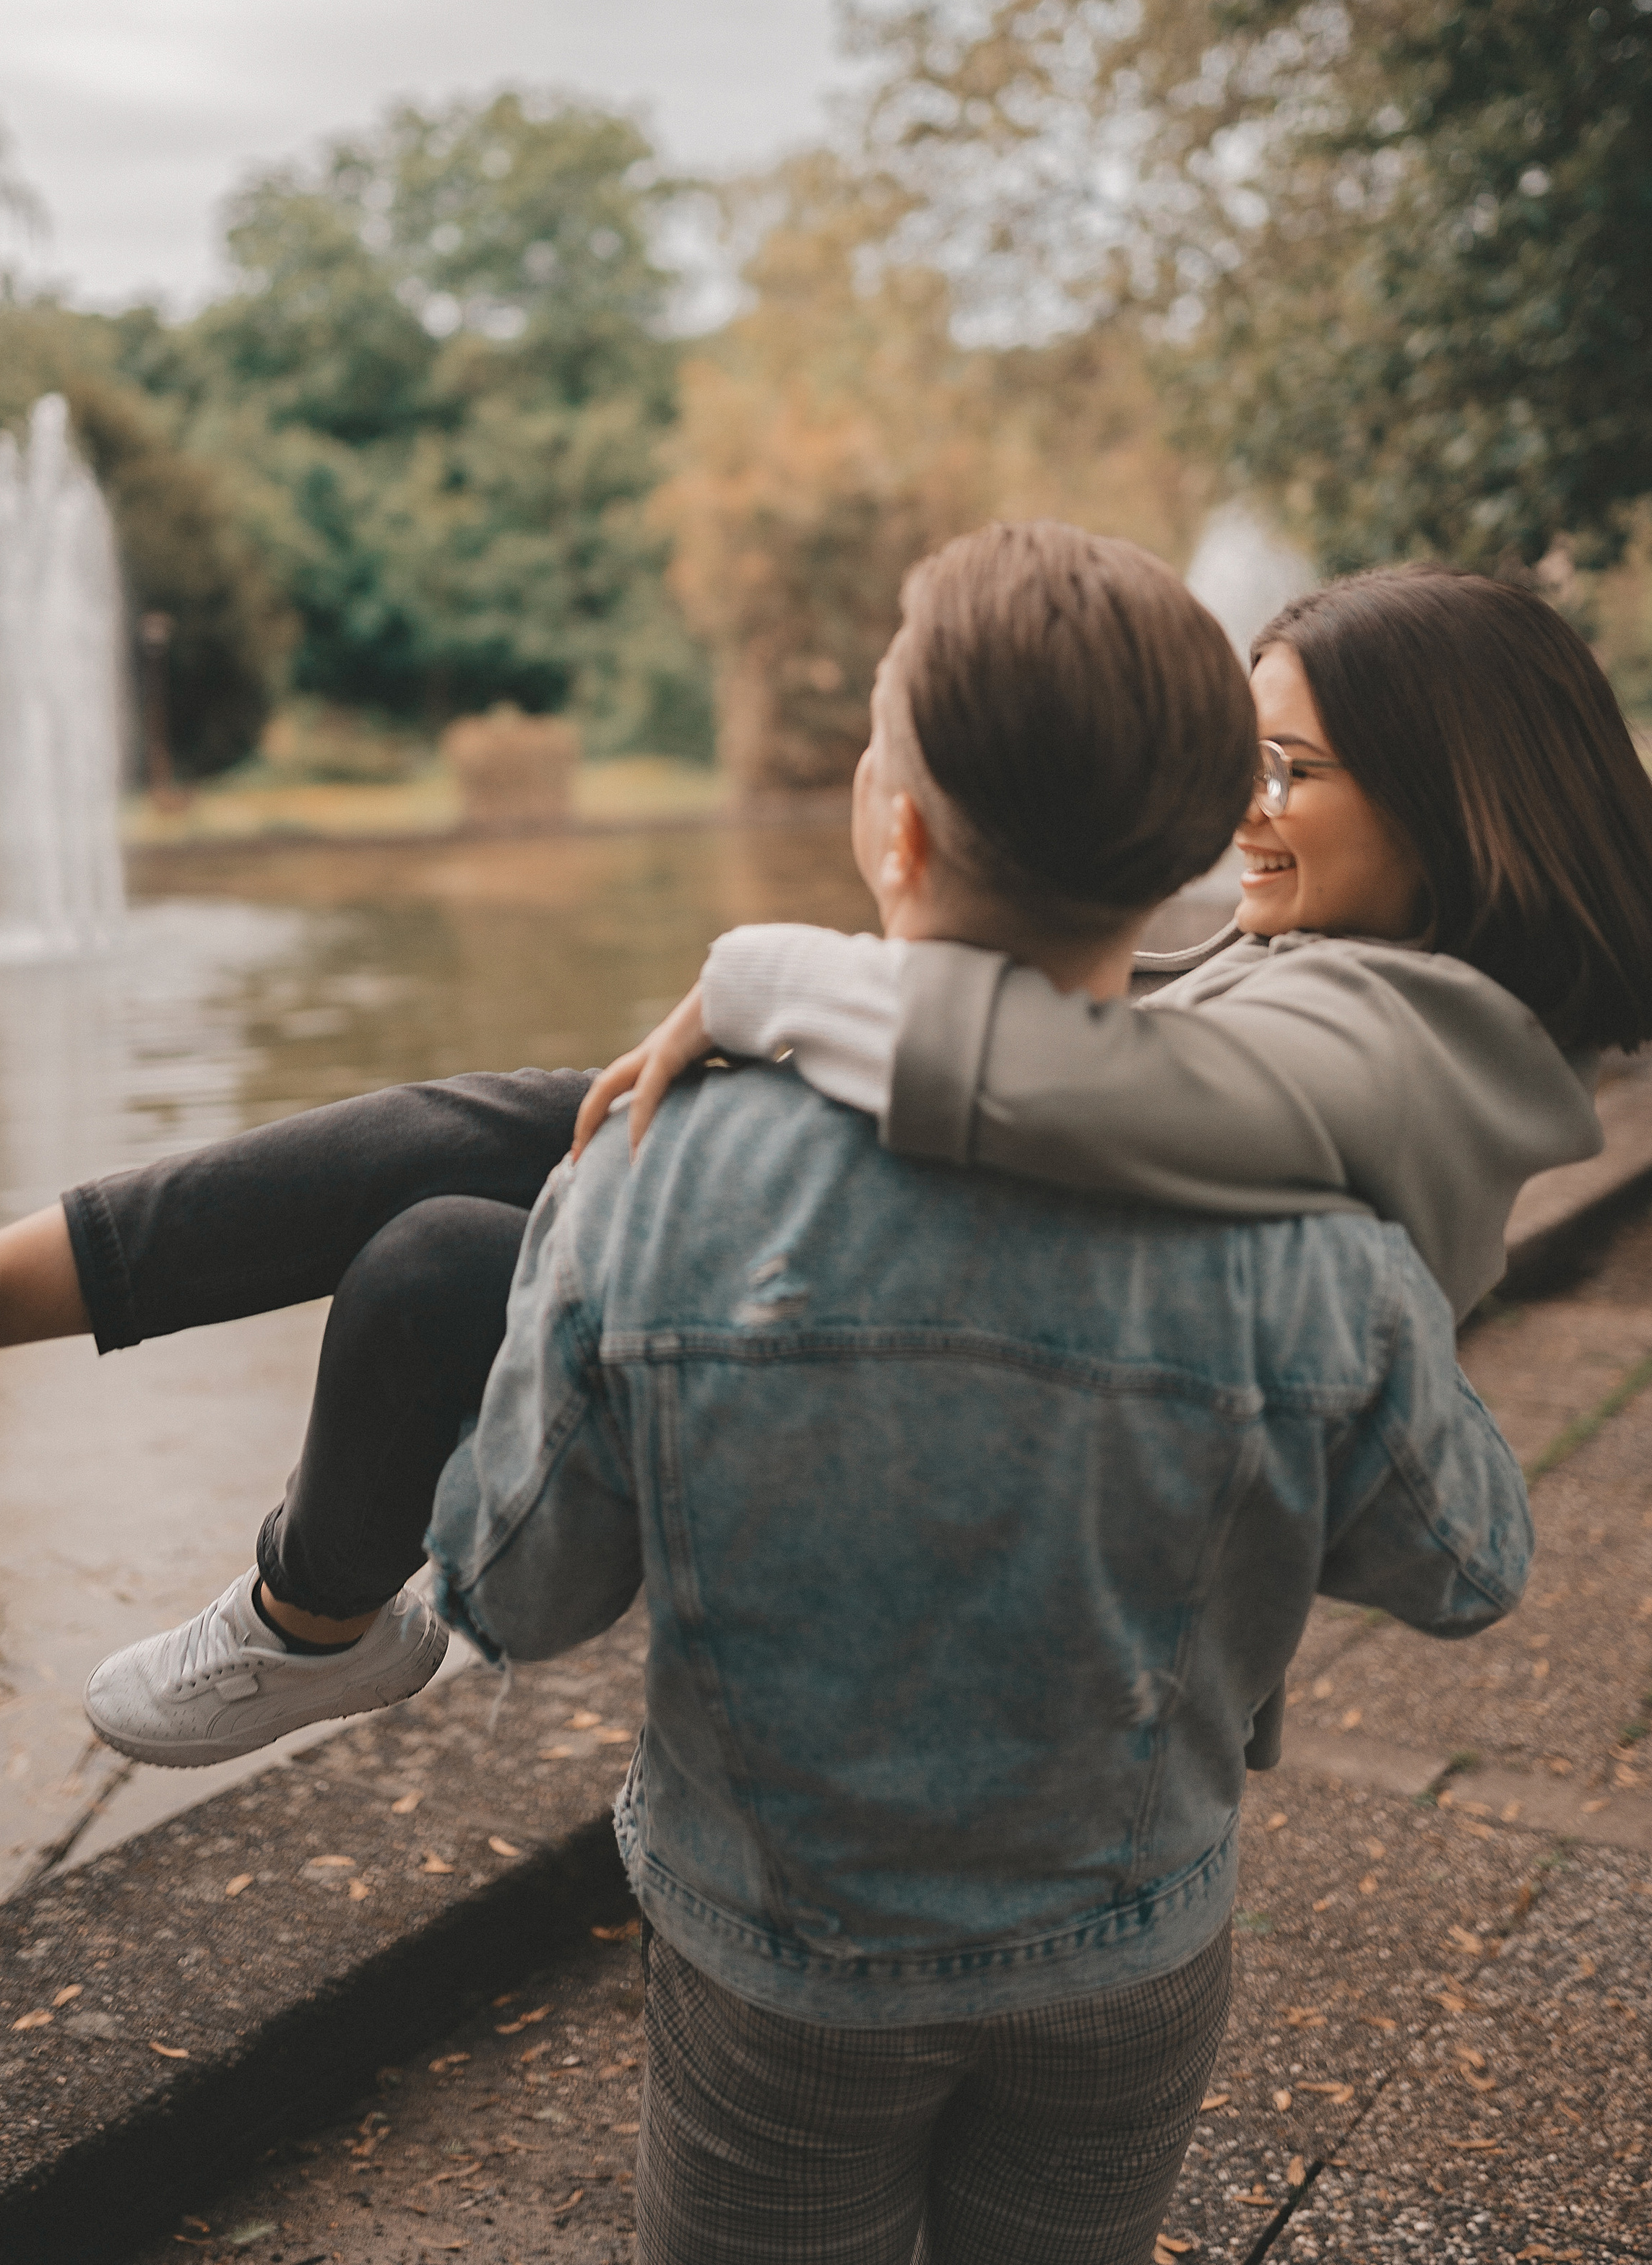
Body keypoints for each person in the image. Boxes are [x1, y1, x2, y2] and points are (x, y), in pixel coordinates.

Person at [0, 553, 1645, 1764]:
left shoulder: (1421, 1040)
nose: (1247, 809)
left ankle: (319, 1612)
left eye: (1288, 769)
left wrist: (761, 973)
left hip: (1022, 1367)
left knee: (456, 1252)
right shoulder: (1355, 967)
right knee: (513, 1117)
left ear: (1456, 795)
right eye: (1244, 759)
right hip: (985, 1270)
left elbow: (1088, 1097)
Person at [421, 519, 1534, 2265]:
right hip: (1129, 1950)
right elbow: (1461, 1568)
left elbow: (513, 1590)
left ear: (897, 826)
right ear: (1189, 845)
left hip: (779, 1966)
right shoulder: (1310, 1222)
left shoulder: (655, 1177)